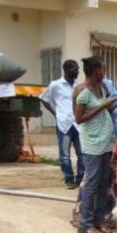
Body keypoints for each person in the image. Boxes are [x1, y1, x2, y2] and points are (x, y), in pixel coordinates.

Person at [74, 56, 117, 233]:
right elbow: (79, 119)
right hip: (92, 144)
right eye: (103, 69)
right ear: (95, 71)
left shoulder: (102, 89)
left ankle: (99, 220)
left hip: (105, 142)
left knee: (103, 183)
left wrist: (113, 103)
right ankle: (85, 224)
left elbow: (104, 108)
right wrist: (103, 106)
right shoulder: (84, 93)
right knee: (92, 183)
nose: (105, 73)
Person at [40, 60, 85, 189]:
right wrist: (55, 113)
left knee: (81, 153)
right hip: (64, 123)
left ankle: (81, 177)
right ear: (66, 70)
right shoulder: (55, 85)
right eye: (75, 69)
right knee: (64, 154)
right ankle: (69, 178)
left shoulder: (79, 85)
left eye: (78, 69)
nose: (77, 71)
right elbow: (44, 98)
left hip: (77, 123)